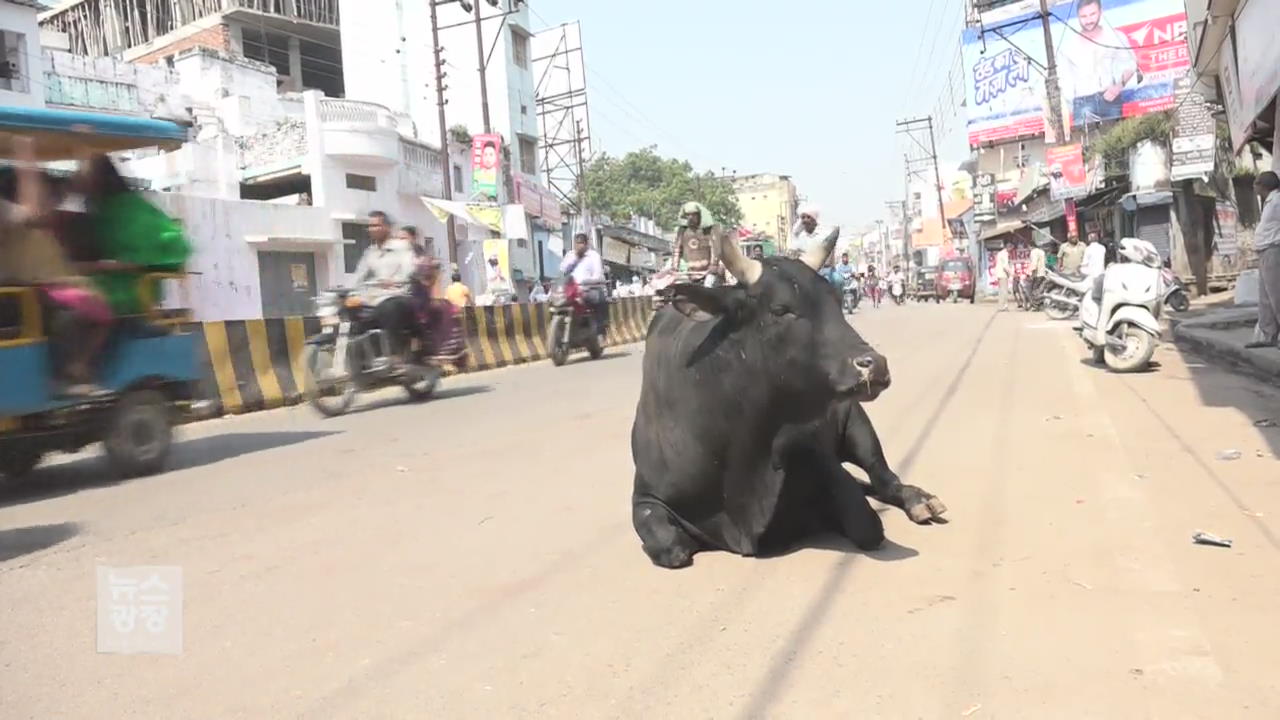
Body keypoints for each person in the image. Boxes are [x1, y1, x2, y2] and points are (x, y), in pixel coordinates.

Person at [0, 138, 113, 396]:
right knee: (88, 309)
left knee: (91, 303)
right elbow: (32, 211)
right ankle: (70, 373)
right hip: (21, 292)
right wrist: (26, 155)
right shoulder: (17, 220)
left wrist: (83, 151)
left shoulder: (46, 227)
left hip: (34, 288)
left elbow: (77, 187)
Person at [1056, 0, 1141, 126]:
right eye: (1083, 16)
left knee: (1117, 140)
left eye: (1092, 14)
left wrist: (1117, 87)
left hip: (1110, 98)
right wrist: (1070, 106)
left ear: (1101, 12)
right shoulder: (1069, 46)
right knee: (1087, 144)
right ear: (1078, 17)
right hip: (1083, 102)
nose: (1088, 20)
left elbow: (1131, 63)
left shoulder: (1114, 36)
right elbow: (1063, 80)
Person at [351, 210, 416, 367]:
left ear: (387, 227)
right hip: (376, 298)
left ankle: (398, 353)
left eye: (376, 225)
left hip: (400, 295)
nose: (372, 229)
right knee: (353, 313)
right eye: (370, 226)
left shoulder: (402, 246)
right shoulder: (370, 253)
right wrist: (347, 291)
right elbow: (358, 276)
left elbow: (410, 268)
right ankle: (363, 359)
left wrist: (396, 280)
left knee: (389, 308)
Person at [1247, 171, 1280, 350]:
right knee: (1265, 298)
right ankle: (1269, 335)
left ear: (1264, 186)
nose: (1254, 187)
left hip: (1274, 250)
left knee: (1277, 295)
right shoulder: (1268, 203)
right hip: (1265, 251)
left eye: (1256, 183)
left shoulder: (1277, 202)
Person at [560, 233, 608, 338]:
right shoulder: (570, 255)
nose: (579, 245)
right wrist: (576, 258)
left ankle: (600, 332)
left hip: (588, 289)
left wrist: (587, 281)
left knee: (599, 299)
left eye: (581, 243)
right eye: (577, 243)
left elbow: (598, 275)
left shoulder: (594, 256)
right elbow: (563, 270)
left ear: (586, 244)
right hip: (572, 291)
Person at [671, 202, 720, 283]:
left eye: (694, 215)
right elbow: (677, 250)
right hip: (690, 273)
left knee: (709, 285)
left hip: (707, 272)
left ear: (699, 215)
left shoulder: (708, 230)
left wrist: (714, 265)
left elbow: (715, 249)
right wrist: (674, 268)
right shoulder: (682, 231)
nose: (690, 217)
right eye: (688, 215)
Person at [995, 239, 1013, 311]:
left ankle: (1002, 305)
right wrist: (1011, 273)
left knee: (1002, 290)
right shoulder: (1005, 254)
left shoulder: (1000, 253)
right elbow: (1005, 266)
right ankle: (1003, 306)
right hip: (1003, 274)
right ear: (1008, 247)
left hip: (1000, 274)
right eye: (1011, 247)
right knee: (1004, 291)